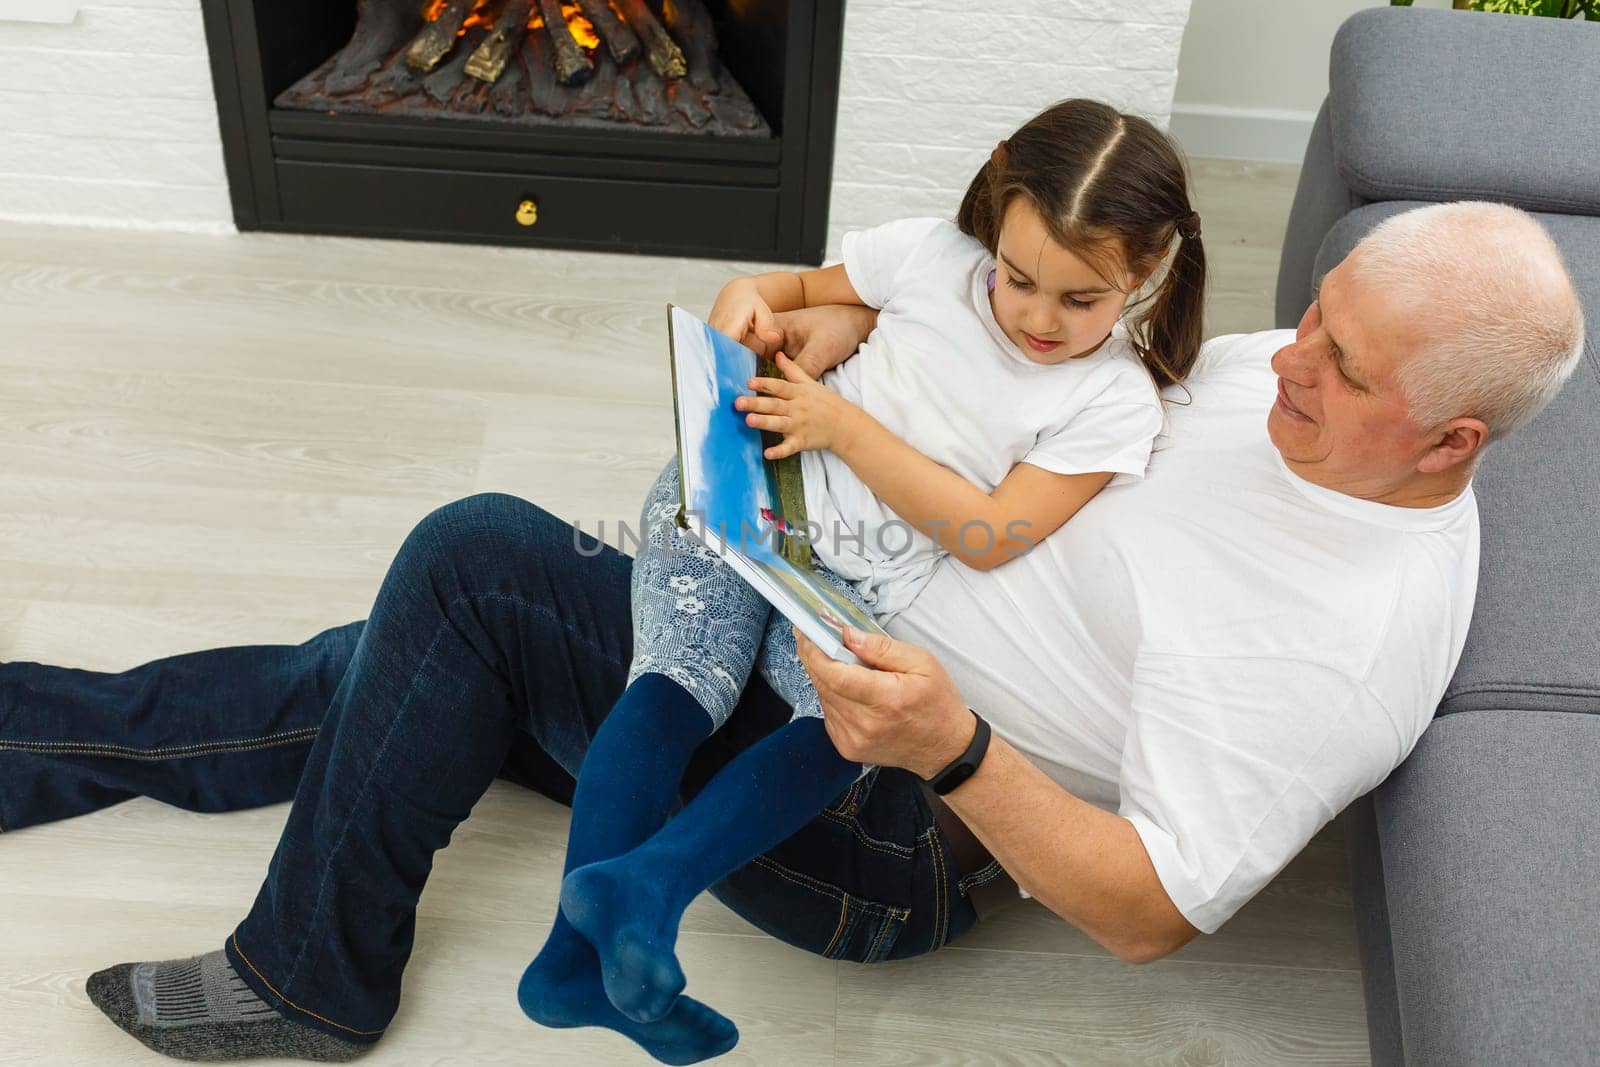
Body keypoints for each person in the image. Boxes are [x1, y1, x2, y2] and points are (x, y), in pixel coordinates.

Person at [0, 201, 1582, 1066]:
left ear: (1450, 441)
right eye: (1315, 313)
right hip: (821, 616)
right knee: (414, 670)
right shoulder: (1281, 379)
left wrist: (948, 740)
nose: (1289, 358)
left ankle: (306, 981)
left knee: (470, 574)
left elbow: (1153, 911)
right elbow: (1054, 395)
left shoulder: (1341, 634)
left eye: (1346, 366)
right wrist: (846, 334)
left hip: (887, 814)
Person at [524, 97, 1207, 1057]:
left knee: (851, 729)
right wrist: (744, 306)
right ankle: (570, 957)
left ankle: (638, 896)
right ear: (998, 210)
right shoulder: (932, 258)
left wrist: (846, 428)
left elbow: (989, 530)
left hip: (853, 590)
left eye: (1081, 300)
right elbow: (791, 287)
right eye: (1018, 279)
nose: (1037, 317)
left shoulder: (1111, 402)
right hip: (741, 491)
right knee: (676, 686)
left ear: (1146, 271)